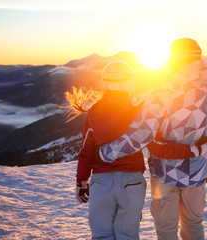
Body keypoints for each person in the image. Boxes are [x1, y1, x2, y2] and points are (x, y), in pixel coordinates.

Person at [95, 38, 207, 240]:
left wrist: (106, 152)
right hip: (199, 171)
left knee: (166, 228)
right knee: (193, 223)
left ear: (173, 61)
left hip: (166, 172)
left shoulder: (162, 94)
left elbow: (141, 134)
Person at [73, 61, 195, 240]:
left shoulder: (94, 112)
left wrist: (81, 182)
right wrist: (192, 149)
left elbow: (86, 150)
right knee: (127, 235)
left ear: (104, 83)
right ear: (130, 82)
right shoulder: (139, 111)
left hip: (101, 182)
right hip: (132, 182)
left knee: (101, 236)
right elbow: (156, 146)